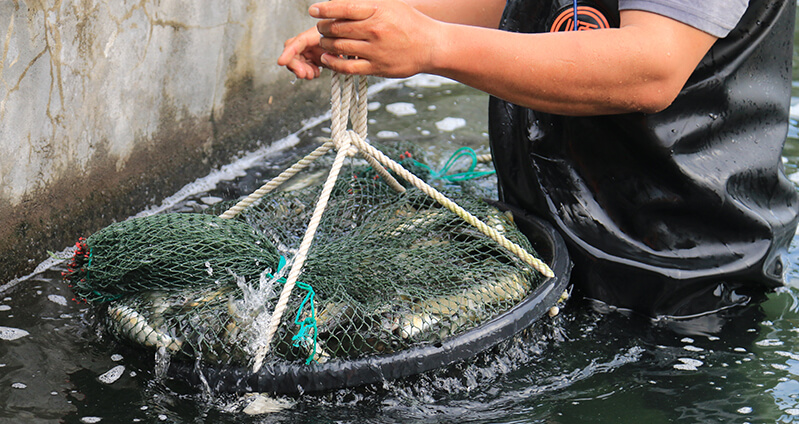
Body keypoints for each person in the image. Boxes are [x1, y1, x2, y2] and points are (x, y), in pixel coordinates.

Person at [278, 0, 799, 318]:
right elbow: (522, 3)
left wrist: (434, 45)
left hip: (682, 279)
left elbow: (652, 66)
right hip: (562, 241)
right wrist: (378, 24)